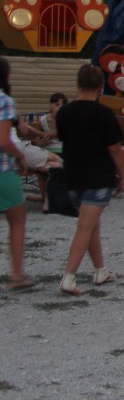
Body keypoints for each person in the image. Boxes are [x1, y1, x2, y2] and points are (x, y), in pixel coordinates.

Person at [56, 63, 124, 296]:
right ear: (100, 87)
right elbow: (115, 150)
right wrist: (123, 174)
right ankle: (69, 276)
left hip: (73, 176)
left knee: (91, 226)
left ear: (78, 84)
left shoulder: (64, 113)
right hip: (98, 177)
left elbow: (63, 140)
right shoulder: (104, 114)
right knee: (85, 227)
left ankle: (100, 270)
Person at [0, 58, 33, 290]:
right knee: (18, 219)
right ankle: (17, 274)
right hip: (3, 169)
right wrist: (21, 157)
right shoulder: (5, 101)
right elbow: (3, 141)